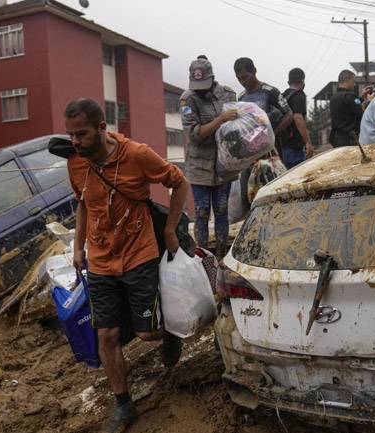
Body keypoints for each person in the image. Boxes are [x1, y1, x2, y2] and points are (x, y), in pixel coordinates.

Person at [64, 98, 190, 433]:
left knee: (147, 332)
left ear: (102, 128)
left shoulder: (136, 154)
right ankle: (124, 405)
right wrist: (78, 247)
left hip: (139, 254)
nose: (75, 142)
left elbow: (179, 182)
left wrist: (169, 229)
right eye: (70, 135)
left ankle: (171, 333)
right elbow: (82, 204)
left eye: (82, 134)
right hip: (101, 261)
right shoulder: (75, 164)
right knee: (106, 334)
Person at [180, 56, 237, 255]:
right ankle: (203, 256)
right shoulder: (188, 99)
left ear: (212, 79)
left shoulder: (229, 94)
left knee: (221, 211)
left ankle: (221, 255)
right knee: (202, 213)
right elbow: (196, 135)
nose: (201, 89)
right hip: (199, 165)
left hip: (223, 162)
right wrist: (221, 119)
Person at [234, 57, 293, 209]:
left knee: (272, 191)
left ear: (254, 71)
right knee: (249, 195)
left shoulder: (270, 92)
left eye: (245, 77)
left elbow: (289, 115)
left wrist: (272, 134)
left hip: (270, 154)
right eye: (239, 78)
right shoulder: (241, 97)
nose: (243, 81)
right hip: (250, 155)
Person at [281, 68, 314, 169]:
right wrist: (308, 142)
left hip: (281, 145)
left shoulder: (282, 96)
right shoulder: (299, 95)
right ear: (302, 81)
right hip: (294, 148)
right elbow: (298, 117)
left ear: (288, 82)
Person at [329, 70, 373, 147]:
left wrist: (361, 98)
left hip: (336, 140)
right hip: (349, 140)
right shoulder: (351, 96)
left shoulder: (333, 98)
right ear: (347, 80)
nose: (354, 84)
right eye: (353, 81)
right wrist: (369, 102)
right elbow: (362, 115)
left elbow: (349, 107)